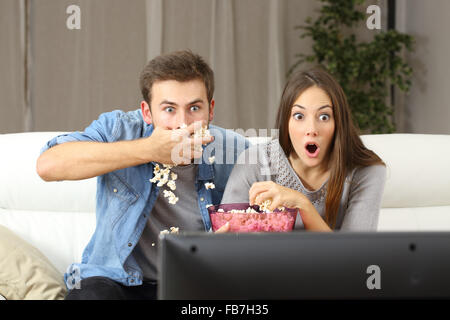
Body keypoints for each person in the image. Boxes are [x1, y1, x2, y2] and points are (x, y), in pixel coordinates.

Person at [36, 50, 250, 299]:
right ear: (147, 112)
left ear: (210, 110)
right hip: (115, 282)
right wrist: (149, 149)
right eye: (169, 109)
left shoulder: (235, 151)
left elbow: (266, 223)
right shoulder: (119, 129)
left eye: (194, 108)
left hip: (194, 282)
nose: (182, 123)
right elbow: (48, 166)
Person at [221, 67, 386, 231]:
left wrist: (302, 204)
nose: (311, 129)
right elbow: (225, 240)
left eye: (324, 116)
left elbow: (356, 255)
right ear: (286, 122)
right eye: (299, 116)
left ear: (338, 123)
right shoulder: (255, 161)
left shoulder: (366, 171)